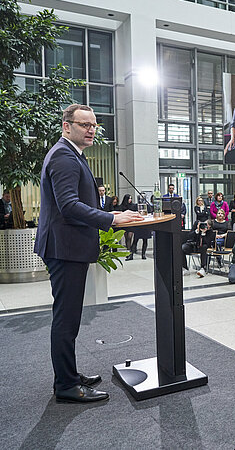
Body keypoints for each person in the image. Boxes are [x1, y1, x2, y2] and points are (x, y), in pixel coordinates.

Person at [34, 104, 143, 403]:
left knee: (69, 318)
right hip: (65, 248)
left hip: (67, 246)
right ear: (66, 126)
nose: (91, 129)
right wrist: (112, 219)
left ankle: (67, 376)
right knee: (66, 319)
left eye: (93, 124)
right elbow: (68, 205)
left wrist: (113, 212)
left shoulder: (70, 154)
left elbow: (76, 202)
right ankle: (67, 386)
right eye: (84, 124)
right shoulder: (63, 157)